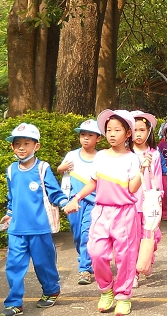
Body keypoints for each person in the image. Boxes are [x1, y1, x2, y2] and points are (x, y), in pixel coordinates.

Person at [64, 109, 142, 316]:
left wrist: (142, 171)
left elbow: (133, 188)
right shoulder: (100, 157)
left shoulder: (132, 159)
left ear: (128, 134)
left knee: (125, 257)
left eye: (118, 130)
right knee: (96, 253)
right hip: (101, 212)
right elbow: (93, 182)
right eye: (109, 130)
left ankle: (123, 295)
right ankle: (106, 290)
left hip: (125, 213)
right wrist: (76, 198)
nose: (112, 134)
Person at [0, 123, 69, 316]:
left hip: (39, 228)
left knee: (43, 264)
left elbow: (55, 193)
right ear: (12, 147)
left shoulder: (42, 168)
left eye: (26, 143)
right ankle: (14, 303)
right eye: (17, 143)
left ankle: (51, 290)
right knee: (14, 267)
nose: (21, 147)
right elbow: (12, 197)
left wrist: (65, 203)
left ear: (36, 146)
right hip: (16, 229)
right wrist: (9, 213)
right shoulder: (11, 170)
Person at [57, 118, 102, 286]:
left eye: (90, 135)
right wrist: (61, 169)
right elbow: (60, 170)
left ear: (98, 138)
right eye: (83, 134)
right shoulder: (71, 155)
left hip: (93, 203)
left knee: (86, 235)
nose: (85, 138)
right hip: (73, 203)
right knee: (77, 235)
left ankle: (84, 268)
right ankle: (84, 257)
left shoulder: (100, 157)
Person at [131, 110, 163, 286]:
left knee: (152, 236)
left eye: (142, 130)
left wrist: (158, 197)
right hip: (130, 203)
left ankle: (148, 258)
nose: (138, 133)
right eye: (134, 129)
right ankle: (134, 273)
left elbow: (158, 178)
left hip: (149, 204)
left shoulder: (155, 154)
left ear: (149, 131)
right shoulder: (126, 154)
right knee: (133, 239)